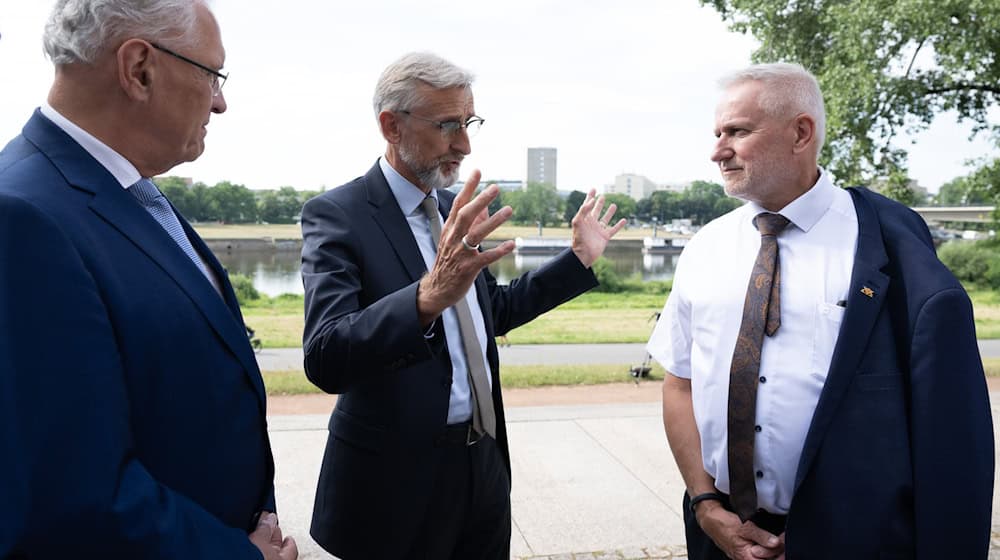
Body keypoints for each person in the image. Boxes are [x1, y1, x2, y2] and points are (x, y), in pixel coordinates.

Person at [649, 62, 993, 559]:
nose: (717, 150)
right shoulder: (705, 246)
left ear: (801, 133)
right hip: (720, 538)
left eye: (737, 132)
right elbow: (679, 381)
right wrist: (706, 506)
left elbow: (952, 437)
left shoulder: (890, 247)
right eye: (717, 132)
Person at [300, 51, 626, 559]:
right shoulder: (337, 215)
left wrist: (578, 259)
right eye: (448, 124)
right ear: (392, 126)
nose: (465, 143)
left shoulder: (455, 209)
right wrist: (426, 299)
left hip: (482, 470)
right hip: (394, 488)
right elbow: (324, 357)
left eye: (469, 122)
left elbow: (489, 313)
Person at [0, 1, 296, 558]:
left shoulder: (126, 191)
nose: (221, 102)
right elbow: (69, 495)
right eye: (213, 74)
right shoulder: (23, 218)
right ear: (139, 68)